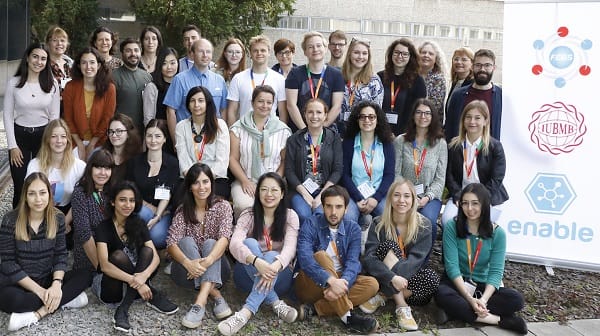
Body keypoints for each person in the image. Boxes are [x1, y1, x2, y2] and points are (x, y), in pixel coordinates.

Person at [0, 173, 89, 332]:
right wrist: (41, 292)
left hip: (45, 278)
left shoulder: (58, 218)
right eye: (32, 194)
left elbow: (60, 255)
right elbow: (8, 263)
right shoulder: (10, 220)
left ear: (49, 193)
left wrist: (56, 285)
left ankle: (36, 314)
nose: (38, 199)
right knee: (9, 299)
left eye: (42, 193)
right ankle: (65, 300)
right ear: (25, 196)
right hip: (19, 282)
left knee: (86, 274)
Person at [435, 183, 527, 335]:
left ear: (484, 204)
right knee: (441, 293)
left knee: (516, 300)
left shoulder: (498, 233)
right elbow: (452, 267)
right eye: (465, 203)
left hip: (481, 286)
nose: (469, 208)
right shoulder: (452, 226)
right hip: (457, 283)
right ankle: (499, 320)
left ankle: (454, 312)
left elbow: (496, 272)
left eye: (475, 203)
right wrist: (470, 299)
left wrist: (483, 300)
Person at [218, 172, 300, 335]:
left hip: (280, 277)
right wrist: (256, 261)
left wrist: (273, 265)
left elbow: (290, 249)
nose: (269, 194)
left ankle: (245, 313)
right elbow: (234, 244)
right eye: (264, 189)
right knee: (249, 243)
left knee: (271, 256)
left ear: (282, 193)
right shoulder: (248, 215)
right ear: (257, 193)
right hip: (246, 278)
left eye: (274, 190)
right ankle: (276, 303)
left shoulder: (290, 216)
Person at [94, 180, 178, 332]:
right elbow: (105, 266)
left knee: (148, 251)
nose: (128, 205)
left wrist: (143, 276)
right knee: (118, 256)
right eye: (122, 200)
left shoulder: (138, 223)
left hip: (134, 280)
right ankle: (150, 294)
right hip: (111, 286)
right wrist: (138, 281)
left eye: (132, 200)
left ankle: (123, 309)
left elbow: (156, 258)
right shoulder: (103, 227)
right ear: (113, 202)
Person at [294, 185, 379, 334]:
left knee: (372, 284)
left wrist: (341, 283)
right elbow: (305, 259)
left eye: (339, 207)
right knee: (321, 256)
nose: (333, 212)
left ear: (346, 209)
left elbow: (353, 262)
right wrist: (331, 281)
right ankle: (348, 318)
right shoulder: (311, 224)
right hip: (310, 283)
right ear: (323, 206)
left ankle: (316, 308)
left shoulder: (353, 229)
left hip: (339, 282)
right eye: (329, 206)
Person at [360, 179, 440, 331]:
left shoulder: (424, 225)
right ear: (390, 198)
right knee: (388, 247)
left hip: (410, 280)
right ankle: (401, 305)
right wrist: (393, 278)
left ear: (413, 199)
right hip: (383, 276)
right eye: (396, 195)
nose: (401, 200)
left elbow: (416, 261)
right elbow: (369, 258)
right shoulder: (379, 223)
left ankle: (385, 295)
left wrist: (395, 280)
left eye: (406, 196)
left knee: (432, 278)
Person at [166, 163, 233, 329]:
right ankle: (215, 295)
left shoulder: (223, 206)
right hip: (186, 272)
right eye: (196, 182)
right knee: (185, 242)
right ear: (189, 187)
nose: (201, 187)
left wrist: (209, 260)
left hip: (218, 270)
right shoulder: (183, 210)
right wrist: (189, 263)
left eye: (205, 181)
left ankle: (200, 303)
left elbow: (225, 238)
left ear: (211, 183)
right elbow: (171, 243)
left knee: (212, 243)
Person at [3, 42, 60, 208]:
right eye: (35, 57)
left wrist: (49, 144)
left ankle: (40, 227)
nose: (39, 61)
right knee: (21, 186)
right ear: (27, 58)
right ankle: (16, 227)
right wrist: (12, 146)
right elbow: (7, 115)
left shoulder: (52, 84)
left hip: (43, 137)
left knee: (41, 185)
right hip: (19, 137)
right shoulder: (14, 83)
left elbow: (54, 116)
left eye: (43, 59)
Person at [441, 100, 508, 228]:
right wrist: (459, 196)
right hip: (461, 196)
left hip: (488, 197)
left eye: (477, 118)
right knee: (448, 221)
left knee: (476, 226)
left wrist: (479, 200)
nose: (472, 122)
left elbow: (497, 178)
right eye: (468, 117)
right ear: (463, 120)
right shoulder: (454, 146)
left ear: (485, 121)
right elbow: (449, 176)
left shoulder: (495, 147)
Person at [229, 85, 291, 218]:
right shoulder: (237, 128)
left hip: (275, 181)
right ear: (252, 103)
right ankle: (244, 236)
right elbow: (232, 158)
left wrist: (275, 182)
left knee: (273, 205)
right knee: (244, 205)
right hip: (246, 180)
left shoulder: (283, 131)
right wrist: (245, 181)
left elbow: (285, 161)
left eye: (269, 102)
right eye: (260, 101)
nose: (265, 105)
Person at [394, 98, 447, 246]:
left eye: (427, 113)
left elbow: (440, 179)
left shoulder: (440, 144)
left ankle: (422, 263)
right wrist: (409, 195)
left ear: (432, 117)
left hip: (429, 197)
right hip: (403, 195)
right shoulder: (400, 141)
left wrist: (426, 198)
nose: (423, 117)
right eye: (419, 112)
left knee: (428, 221)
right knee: (398, 219)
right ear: (413, 115)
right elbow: (396, 173)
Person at [26, 119, 87, 242]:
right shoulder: (35, 165)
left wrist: (65, 221)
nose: (59, 141)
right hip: (41, 211)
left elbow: (83, 199)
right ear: (47, 140)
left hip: (70, 212)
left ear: (68, 140)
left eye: (63, 136)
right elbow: (29, 197)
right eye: (54, 136)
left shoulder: (79, 166)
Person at [285, 98, 343, 224]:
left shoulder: (334, 138)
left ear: (325, 115)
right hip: (300, 191)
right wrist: (305, 194)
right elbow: (289, 171)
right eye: (310, 112)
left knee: (321, 214)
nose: (314, 116)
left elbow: (338, 170)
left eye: (319, 112)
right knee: (303, 214)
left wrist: (322, 195)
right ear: (305, 115)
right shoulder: (294, 139)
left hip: (326, 190)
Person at [126, 119, 179, 250]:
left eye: (158, 136)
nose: (153, 140)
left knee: (158, 238)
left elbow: (167, 193)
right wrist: (150, 207)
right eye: (149, 136)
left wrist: (158, 215)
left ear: (165, 139)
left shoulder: (172, 163)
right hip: (140, 207)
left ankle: (144, 243)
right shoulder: (135, 162)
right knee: (140, 213)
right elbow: (131, 190)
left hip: (163, 211)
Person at [164, 38, 228, 144]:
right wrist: (176, 142)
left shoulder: (219, 80)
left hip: (213, 139)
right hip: (187, 139)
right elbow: (170, 111)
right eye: (200, 51)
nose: (205, 55)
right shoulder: (180, 79)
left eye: (208, 51)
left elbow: (223, 110)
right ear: (192, 54)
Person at [342, 101, 395, 225]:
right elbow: (344, 175)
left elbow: (389, 175)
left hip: (379, 195)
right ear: (357, 120)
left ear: (377, 120)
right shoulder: (348, 143)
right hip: (353, 195)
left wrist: (375, 199)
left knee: (388, 220)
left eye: (371, 117)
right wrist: (358, 198)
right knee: (348, 218)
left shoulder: (387, 144)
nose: (367, 120)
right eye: (363, 116)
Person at [176, 86, 230, 198]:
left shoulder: (220, 125)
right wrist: (195, 179)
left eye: (201, 101)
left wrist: (205, 180)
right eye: (192, 101)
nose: (196, 105)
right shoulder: (181, 126)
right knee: (179, 202)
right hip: (190, 179)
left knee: (213, 205)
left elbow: (222, 161)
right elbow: (183, 158)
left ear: (207, 103)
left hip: (215, 179)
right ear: (188, 104)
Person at [285, 31, 345, 133]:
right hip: (299, 131)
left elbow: (336, 106)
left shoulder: (337, 75)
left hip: (326, 132)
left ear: (325, 49)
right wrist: (305, 130)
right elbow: (291, 105)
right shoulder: (295, 74)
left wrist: (319, 130)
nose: (315, 49)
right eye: (310, 47)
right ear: (305, 51)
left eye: (318, 45)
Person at [63, 47, 116, 161]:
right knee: (76, 169)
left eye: (92, 62)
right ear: (78, 65)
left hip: (100, 140)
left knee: (95, 167)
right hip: (75, 139)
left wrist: (93, 143)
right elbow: (68, 118)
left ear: (99, 65)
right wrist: (80, 144)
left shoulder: (109, 88)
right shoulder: (70, 87)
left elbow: (107, 119)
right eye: (84, 63)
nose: (88, 67)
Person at [226, 34, 287, 126]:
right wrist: (233, 133)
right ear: (250, 53)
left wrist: (281, 133)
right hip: (244, 130)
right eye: (255, 51)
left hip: (270, 132)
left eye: (263, 50)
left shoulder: (279, 79)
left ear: (269, 52)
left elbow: (282, 111)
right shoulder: (238, 78)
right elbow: (231, 110)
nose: (259, 53)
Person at [71, 149, 114, 277]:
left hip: (111, 250)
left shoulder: (112, 191)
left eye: (107, 168)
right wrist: (101, 268)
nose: (103, 173)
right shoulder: (80, 193)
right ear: (90, 168)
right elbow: (84, 234)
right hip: (90, 256)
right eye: (98, 168)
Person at [445, 49, 502, 141]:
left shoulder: (501, 97)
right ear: (472, 67)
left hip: (491, 153)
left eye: (487, 65)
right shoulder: (458, 95)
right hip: (462, 152)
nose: (482, 69)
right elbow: (450, 129)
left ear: (494, 68)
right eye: (478, 65)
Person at [378, 38, 426, 136]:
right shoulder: (380, 77)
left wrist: (403, 134)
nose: (400, 56)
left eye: (404, 54)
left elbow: (418, 110)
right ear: (391, 54)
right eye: (396, 52)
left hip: (405, 134)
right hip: (380, 132)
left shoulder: (418, 81)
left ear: (410, 57)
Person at [338, 37, 383, 135]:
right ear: (349, 54)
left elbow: (377, 112)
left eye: (364, 53)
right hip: (338, 133)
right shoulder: (338, 76)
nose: (360, 56)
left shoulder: (374, 80)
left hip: (363, 134)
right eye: (356, 52)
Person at [112, 37, 153, 133]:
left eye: (136, 50)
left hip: (143, 132)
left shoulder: (148, 77)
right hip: (121, 131)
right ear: (122, 53)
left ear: (140, 52)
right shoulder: (113, 77)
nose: (133, 54)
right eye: (128, 51)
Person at [142, 47, 178, 155]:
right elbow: (148, 119)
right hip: (159, 137)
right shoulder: (152, 87)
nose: (169, 67)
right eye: (164, 63)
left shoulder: (180, 85)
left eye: (172, 63)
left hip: (179, 135)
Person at [102, 113, 143, 183]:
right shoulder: (102, 155)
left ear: (128, 134)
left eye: (119, 131)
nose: (114, 135)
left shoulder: (137, 159)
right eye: (111, 131)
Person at [418, 40, 448, 120]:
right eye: (423, 52)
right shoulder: (412, 76)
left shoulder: (438, 79)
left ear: (436, 59)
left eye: (430, 54)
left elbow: (434, 107)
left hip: (430, 123)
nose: (426, 55)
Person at [445, 47, 474, 120]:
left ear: (472, 64)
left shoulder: (473, 85)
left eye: (464, 59)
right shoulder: (456, 82)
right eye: (456, 59)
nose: (459, 62)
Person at [45, 26, 73, 96]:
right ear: (48, 43)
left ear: (67, 44)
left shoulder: (71, 64)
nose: (59, 43)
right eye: (55, 40)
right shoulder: (43, 65)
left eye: (62, 40)